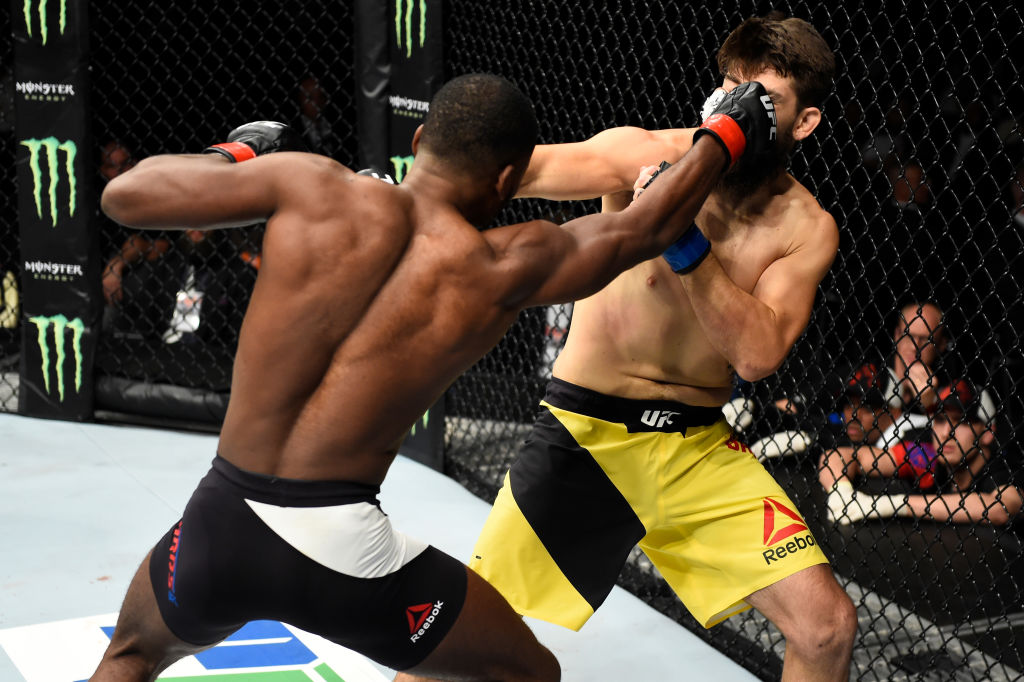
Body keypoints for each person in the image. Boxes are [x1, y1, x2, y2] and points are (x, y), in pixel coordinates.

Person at [90, 73, 778, 681]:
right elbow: (644, 229)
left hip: (220, 521)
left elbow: (125, 194)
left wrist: (238, 153)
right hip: (340, 548)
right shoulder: (500, 267)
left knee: (130, 658)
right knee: (528, 671)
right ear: (508, 179)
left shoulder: (308, 182)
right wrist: (724, 133)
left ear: (420, 139)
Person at [453, 14, 858, 682]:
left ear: (805, 122)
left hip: (697, 449)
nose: (737, 113)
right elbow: (518, 171)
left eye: (762, 102)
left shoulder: (806, 228)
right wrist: (395, 192)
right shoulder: (645, 155)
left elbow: (757, 356)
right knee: (469, 639)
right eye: (730, 89)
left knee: (828, 628)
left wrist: (683, 244)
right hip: (590, 436)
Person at [821, 378, 1023, 526]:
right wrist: (841, 491)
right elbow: (839, 456)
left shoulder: (1002, 467)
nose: (946, 433)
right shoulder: (926, 454)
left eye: (962, 422)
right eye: (941, 420)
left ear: (987, 433)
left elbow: (1001, 509)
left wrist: (897, 504)